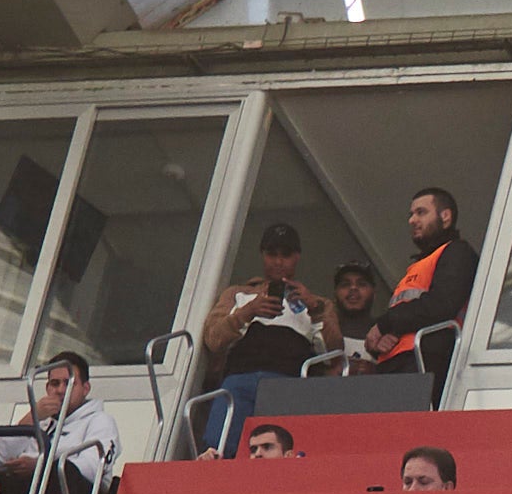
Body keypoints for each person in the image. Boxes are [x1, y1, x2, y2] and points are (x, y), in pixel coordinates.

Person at [196, 223, 337, 449]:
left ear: (297, 257)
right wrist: (248, 312)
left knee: (279, 452)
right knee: (219, 446)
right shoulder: (238, 294)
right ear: (262, 255)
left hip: (288, 385)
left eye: (286, 255)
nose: (278, 262)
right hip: (239, 379)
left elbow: (334, 356)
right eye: (272, 254)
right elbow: (213, 339)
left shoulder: (318, 303)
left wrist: (315, 308)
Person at [370, 185, 478, 401]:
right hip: (396, 365)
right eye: (411, 214)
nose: (412, 220)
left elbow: (441, 304)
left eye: (421, 212)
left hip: (425, 364)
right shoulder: (420, 265)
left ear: (445, 216)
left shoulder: (457, 252)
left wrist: (385, 323)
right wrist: (382, 339)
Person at [0, 352, 119, 494]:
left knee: (64, 471)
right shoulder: (40, 420)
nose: (61, 390)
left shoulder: (100, 421)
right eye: (55, 383)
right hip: (29, 487)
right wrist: (31, 418)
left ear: (85, 388)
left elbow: (92, 468)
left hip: (76, 493)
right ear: (47, 388)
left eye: (68, 383)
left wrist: (39, 466)